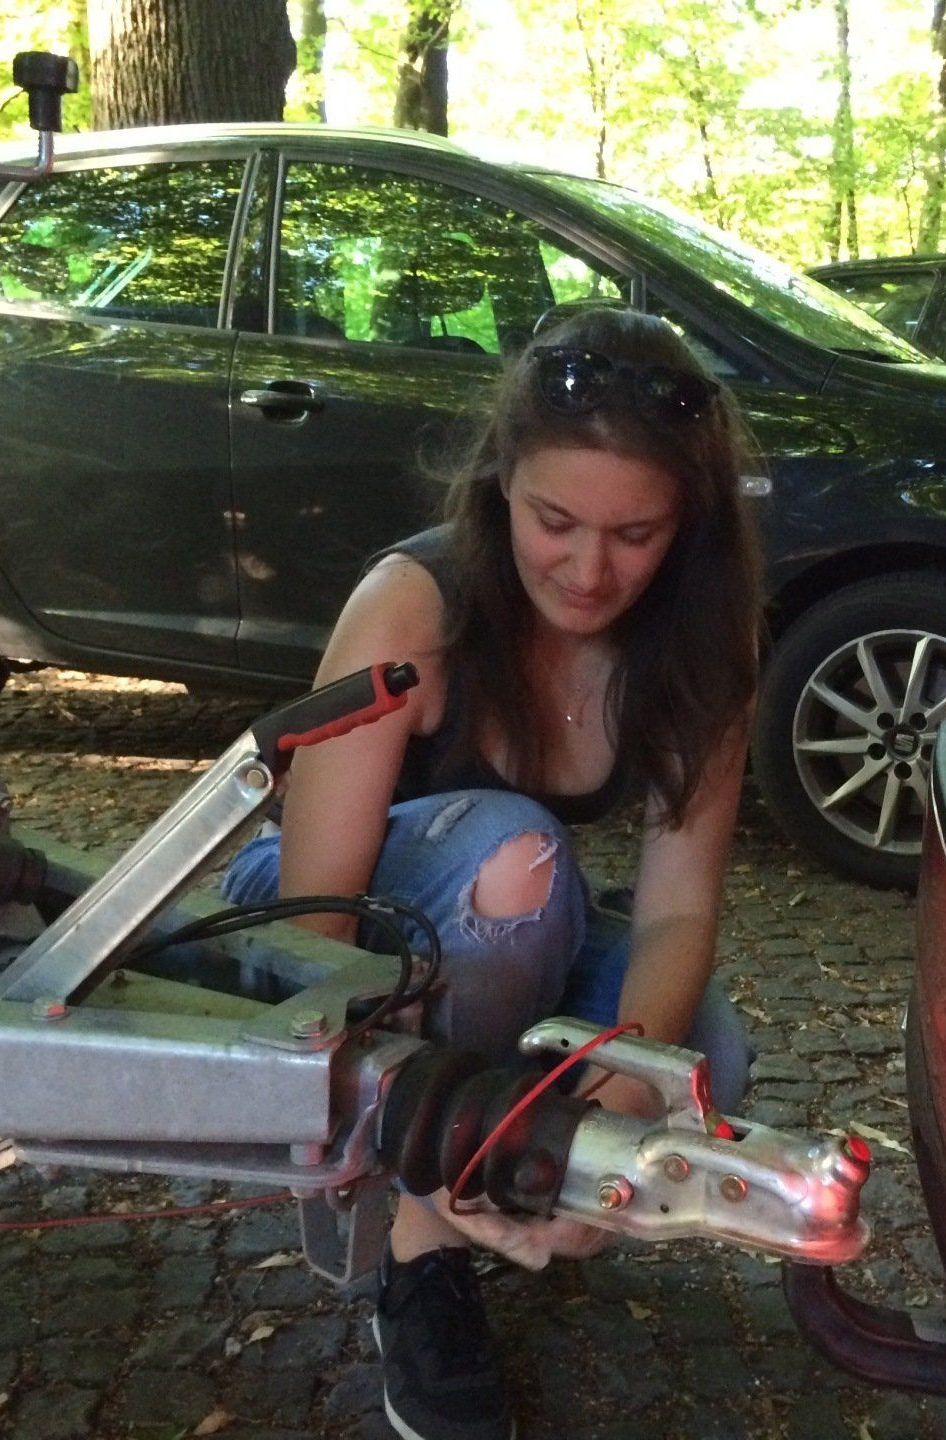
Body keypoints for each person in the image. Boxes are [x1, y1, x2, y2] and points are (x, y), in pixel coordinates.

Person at [222, 306, 762, 1440]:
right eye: (555, 522)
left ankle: (509, 1169)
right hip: (320, 917)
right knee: (520, 858)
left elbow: (677, 913)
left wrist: (622, 1092)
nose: (590, 570)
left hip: (506, 928)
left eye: (636, 534)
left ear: (687, 526)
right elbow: (317, 920)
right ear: (501, 482)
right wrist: (400, 1121)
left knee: (706, 1052)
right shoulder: (411, 607)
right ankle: (421, 1245)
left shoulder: (706, 640)